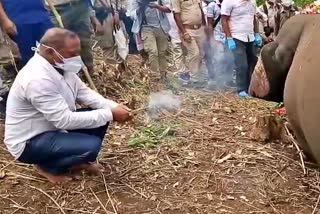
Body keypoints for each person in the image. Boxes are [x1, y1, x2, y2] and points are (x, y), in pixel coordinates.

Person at [4, 28, 132, 183]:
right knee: (91, 146)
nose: (76, 58)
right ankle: (48, 167)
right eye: (72, 54)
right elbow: (63, 120)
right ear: (50, 52)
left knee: (100, 116)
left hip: (51, 129)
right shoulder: (37, 79)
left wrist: (114, 107)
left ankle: (77, 160)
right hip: (30, 142)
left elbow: (85, 93)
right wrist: (111, 114)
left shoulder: (60, 66)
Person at [221, 0, 262, 98]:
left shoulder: (252, 2)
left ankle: (250, 88)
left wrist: (256, 33)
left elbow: (254, 18)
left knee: (252, 62)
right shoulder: (229, 2)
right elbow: (224, 20)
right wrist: (229, 38)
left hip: (250, 36)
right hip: (236, 36)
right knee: (242, 64)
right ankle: (241, 89)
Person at [48, 0, 95, 74]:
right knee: (60, 43)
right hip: (56, 8)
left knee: (84, 41)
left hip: (80, 5)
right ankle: (69, 75)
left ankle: (88, 72)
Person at [0, 0, 53, 65]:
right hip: (17, 20)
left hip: (42, 16)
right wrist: (5, 20)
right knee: (28, 60)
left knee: (51, 56)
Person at [129, 0, 171, 79]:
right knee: (152, 51)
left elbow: (169, 9)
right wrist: (141, 7)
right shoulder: (137, 1)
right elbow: (131, 14)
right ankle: (155, 74)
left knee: (162, 52)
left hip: (161, 27)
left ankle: (163, 74)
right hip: (146, 27)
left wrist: (157, 6)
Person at [172, 0, 206, 84]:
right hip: (187, 29)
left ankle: (199, 76)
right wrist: (184, 32)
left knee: (201, 54)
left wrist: (204, 27)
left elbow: (200, 10)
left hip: (199, 29)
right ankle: (194, 78)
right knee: (195, 53)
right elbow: (176, 15)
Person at [91, 0, 128, 72]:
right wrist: (96, 22)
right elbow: (89, 7)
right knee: (108, 46)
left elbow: (123, 5)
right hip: (102, 18)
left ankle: (122, 72)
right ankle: (111, 72)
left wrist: (117, 12)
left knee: (122, 46)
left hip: (117, 18)